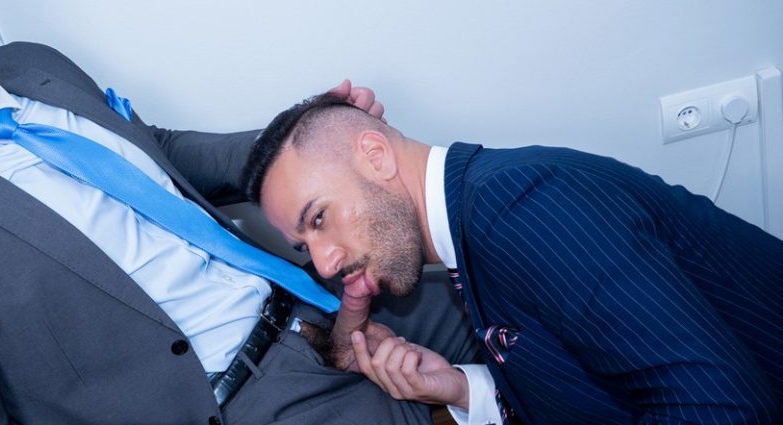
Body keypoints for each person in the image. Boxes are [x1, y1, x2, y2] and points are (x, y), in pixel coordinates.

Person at [0, 0, 480, 424]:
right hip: (243, 399)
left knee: (513, 292)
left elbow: (154, 152)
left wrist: (298, 138)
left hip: (315, 304)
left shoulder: (31, 65)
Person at [242, 93, 783, 424]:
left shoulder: (519, 207)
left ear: (376, 156)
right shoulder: (475, 225)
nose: (325, 263)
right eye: (304, 245)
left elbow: (720, 407)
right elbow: (599, 378)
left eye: (319, 218)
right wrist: (462, 388)